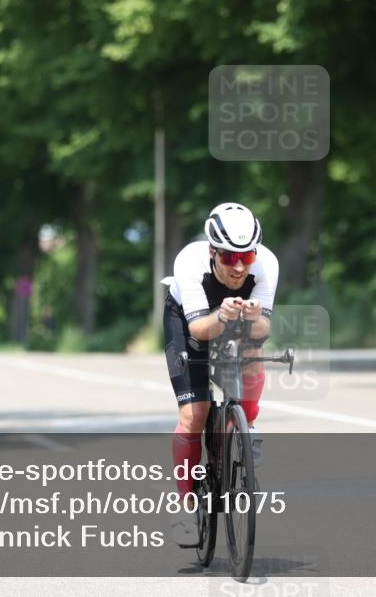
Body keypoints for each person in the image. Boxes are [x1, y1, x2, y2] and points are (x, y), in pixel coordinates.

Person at [162, 202, 278, 546]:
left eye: (247, 257)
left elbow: (262, 330)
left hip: (234, 318)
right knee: (194, 414)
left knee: (255, 353)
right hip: (188, 322)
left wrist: (254, 316)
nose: (240, 266)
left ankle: (245, 425)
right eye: (229, 258)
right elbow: (199, 329)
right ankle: (186, 504)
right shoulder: (189, 261)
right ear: (212, 251)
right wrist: (225, 316)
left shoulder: (267, 264)